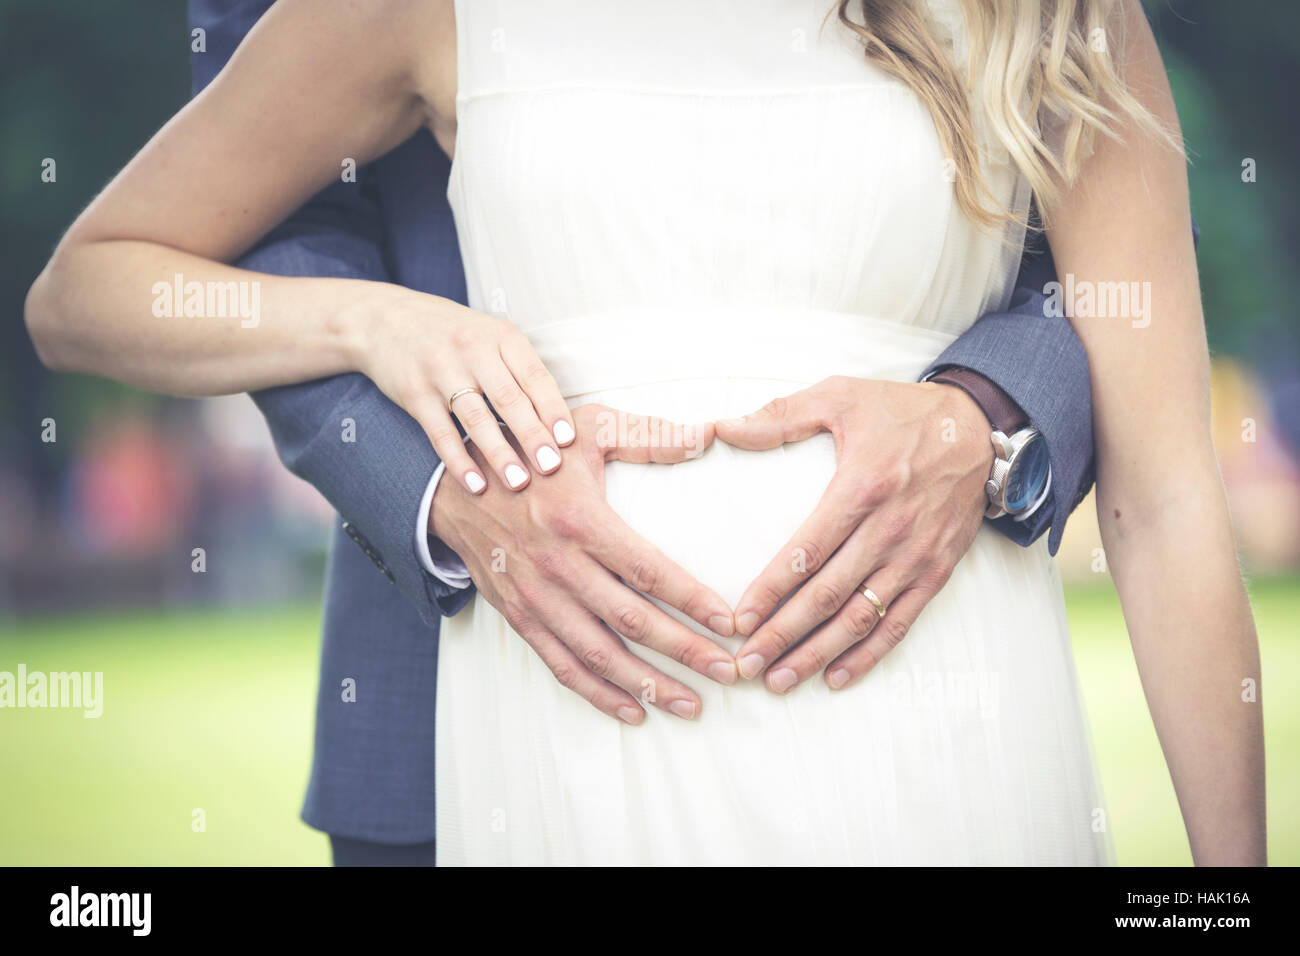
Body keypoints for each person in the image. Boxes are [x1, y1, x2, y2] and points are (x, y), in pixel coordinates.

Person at [26, 0, 1264, 865]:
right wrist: (375, 325)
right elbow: (85, 288)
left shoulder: (1052, 13)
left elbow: (1165, 501)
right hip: (575, 725)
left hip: (947, 723)